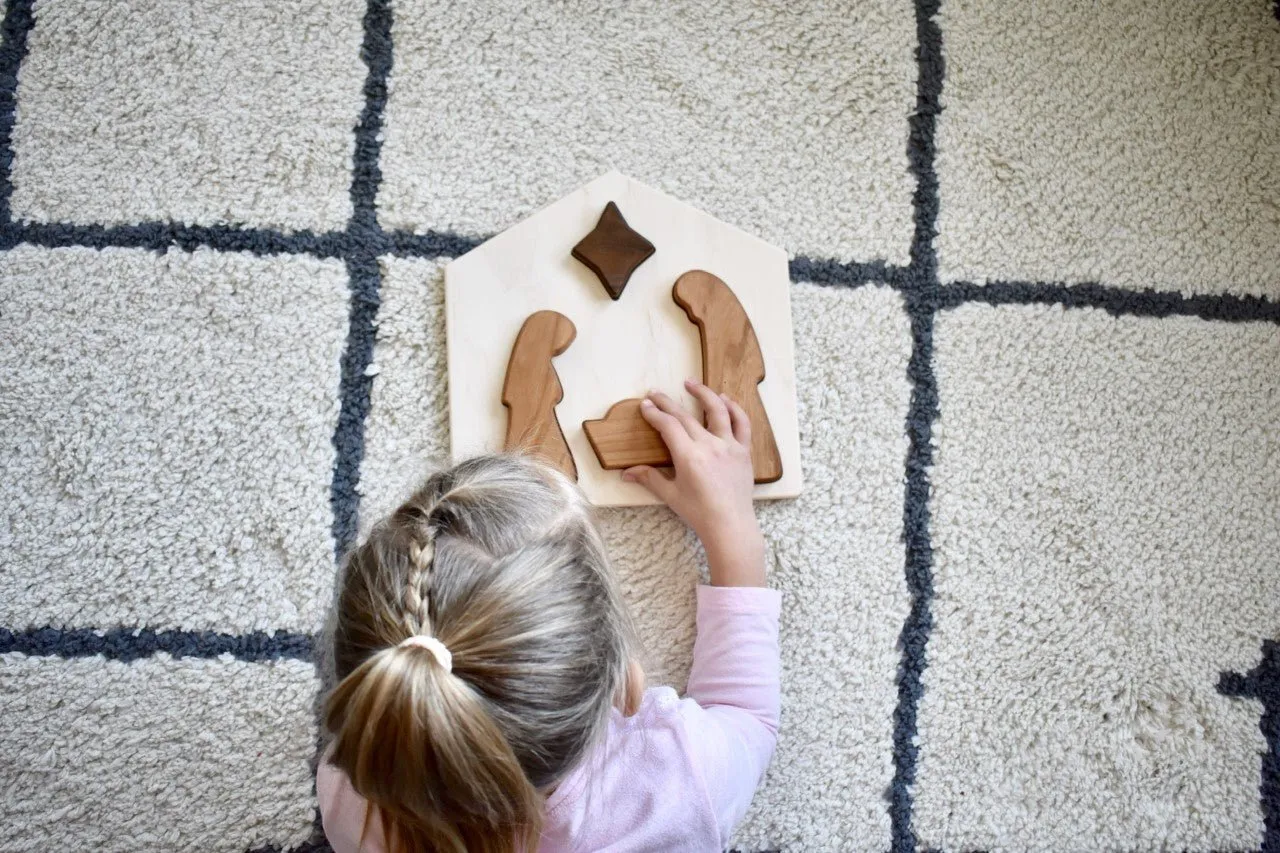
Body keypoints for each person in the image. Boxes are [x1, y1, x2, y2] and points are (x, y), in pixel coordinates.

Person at [317, 379, 781, 852]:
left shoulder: (353, 796)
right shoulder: (681, 783)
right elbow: (748, 720)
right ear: (623, 682)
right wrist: (734, 531)